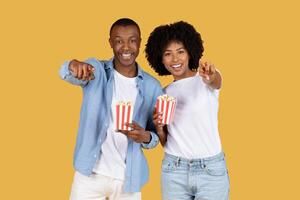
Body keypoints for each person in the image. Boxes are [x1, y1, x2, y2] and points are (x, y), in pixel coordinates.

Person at [59, 18, 163, 200]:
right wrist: (73, 65)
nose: (126, 47)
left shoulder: (152, 86)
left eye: (132, 40)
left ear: (139, 42)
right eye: (118, 41)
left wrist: (145, 136)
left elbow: (156, 136)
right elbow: (66, 73)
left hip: (129, 178)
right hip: (90, 174)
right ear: (110, 43)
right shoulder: (96, 71)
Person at [145, 21, 230, 200]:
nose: (175, 59)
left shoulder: (205, 80)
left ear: (190, 52)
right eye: (168, 54)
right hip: (174, 170)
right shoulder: (164, 93)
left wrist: (211, 75)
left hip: (211, 171)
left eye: (180, 51)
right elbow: (165, 141)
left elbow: (216, 81)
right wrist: (159, 127)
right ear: (160, 59)